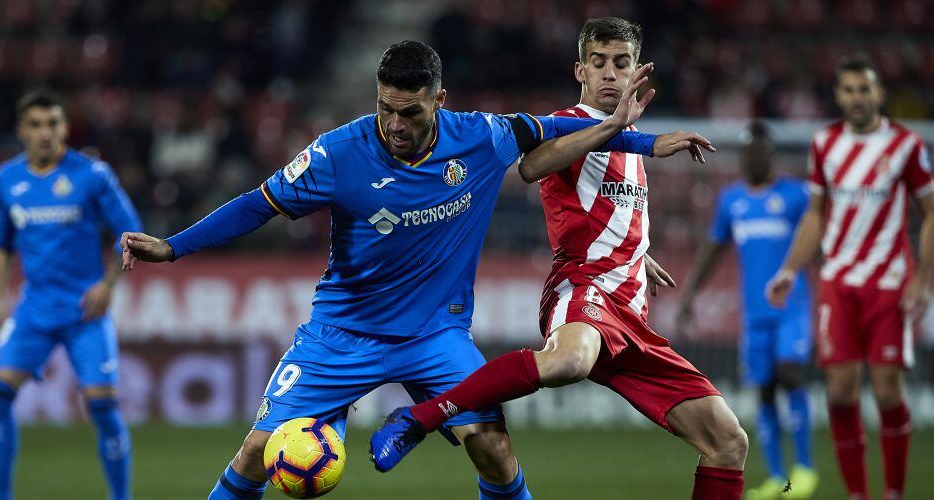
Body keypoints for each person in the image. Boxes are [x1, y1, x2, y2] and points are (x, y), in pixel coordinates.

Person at [120, 40, 712, 500]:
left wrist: (639, 138)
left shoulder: (481, 137)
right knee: (255, 453)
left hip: (436, 337)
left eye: (408, 111)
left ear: (438, 100)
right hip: (341, 336)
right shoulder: (337, 153)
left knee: (494, 449)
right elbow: (258, 204)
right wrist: (174, 247)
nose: (394, 123)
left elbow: (554, 130)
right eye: (385, 108)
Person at [369, 19, 748, 500]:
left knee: (728, 442)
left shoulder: (625, 141)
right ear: (580, 70)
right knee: (569, 361)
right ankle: (421, 418)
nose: (610, 73)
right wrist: (612, 127)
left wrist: (639, 254)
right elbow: (530, 167)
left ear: (636, 73)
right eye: (599, 62)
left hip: (629, 313)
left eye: (622, 63)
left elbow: (611, 211)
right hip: (582, 290)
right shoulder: (573, 121)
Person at [766, 55, 932, 500]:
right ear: (839, 96)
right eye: (849, 90)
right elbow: (816, 215)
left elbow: (931, 212)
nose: (857, 98)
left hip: (888, 282)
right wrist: (789, 269)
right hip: (838, 281)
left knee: (886, 391)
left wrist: (923, 280)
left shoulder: (906, 145)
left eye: (865, 89)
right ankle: (858, 494)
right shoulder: (824, 144)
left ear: (879, 94)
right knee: (840, 392)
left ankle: (893, 491)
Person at [0, 90, 142, 500]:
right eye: (35, 125)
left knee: (102, 407)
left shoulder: (92, 175)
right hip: (33, 309)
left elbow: (130, 232)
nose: (45, 133)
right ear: (21, 130)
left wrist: (107, 285)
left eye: (53, 123)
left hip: (84, 312)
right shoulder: (7, 179)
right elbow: (1, 243)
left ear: (65, 128)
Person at [677, 121, 817, 499]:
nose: (752, 159)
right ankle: (777, 477)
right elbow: (713, 248)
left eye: (759, 153)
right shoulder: (731, 200)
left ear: (770, 154)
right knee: (766, 389)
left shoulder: (796, 195)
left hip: (792, 308)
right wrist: (689, 295)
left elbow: (818, 234)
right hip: (754, 316)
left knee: (790, 374)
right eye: (747, 154)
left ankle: (805, 468)